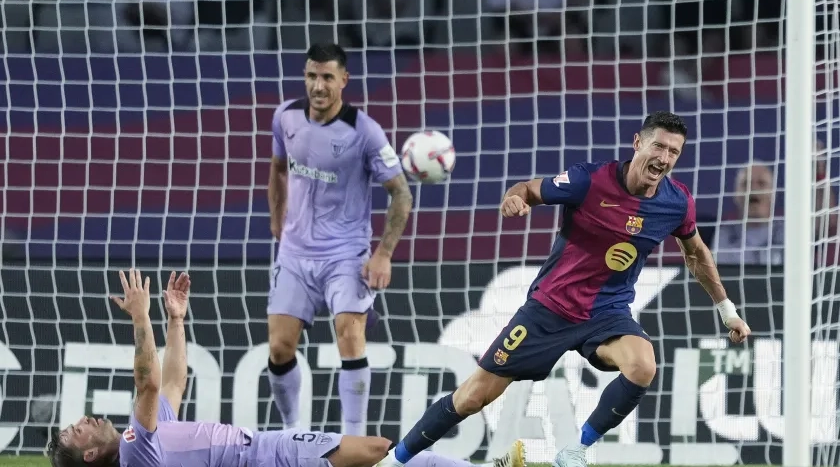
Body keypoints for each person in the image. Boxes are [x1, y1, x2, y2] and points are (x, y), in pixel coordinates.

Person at [380, 111, 752, 467]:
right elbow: (528, 189)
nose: (665, 158)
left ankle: (574, 451)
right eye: (659, 147)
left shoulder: (676, 202)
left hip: (607, 314)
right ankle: (394, 461)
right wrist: (515, 199)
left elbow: (697, 254)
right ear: (637, 142)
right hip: (550, 310)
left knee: (643, 366)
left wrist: (727, 311)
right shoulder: (589, 180)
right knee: (473, 396)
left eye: (674, 151)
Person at [47, 268, 527, 467]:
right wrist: (140, 318)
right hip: (266, 456)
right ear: (90, 457)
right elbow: (149, 381)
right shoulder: (135, 451)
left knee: (378, 453)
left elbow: (173, 381)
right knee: (380, 450)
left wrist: (175, 321)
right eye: (77, 432)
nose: (84, 422)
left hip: (264, 453)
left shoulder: (146, 443)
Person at [266, 42, 412, 435]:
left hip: (345, 254)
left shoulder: (364, 132)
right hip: (294, 253)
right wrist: (277, 217)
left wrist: (383, 254)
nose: (318, 86)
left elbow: (401, 192)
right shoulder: (285, 116)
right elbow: (278, 167)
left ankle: (354, 440)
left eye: (327, 77)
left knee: (349, 333)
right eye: (312, 75)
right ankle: (292, 434)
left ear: (343, 80)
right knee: (279, 349)